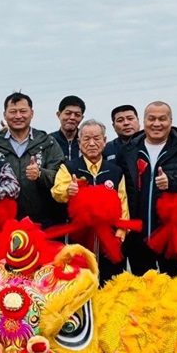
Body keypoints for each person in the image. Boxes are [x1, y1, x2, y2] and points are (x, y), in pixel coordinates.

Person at [116, 101, 177, 276]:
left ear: (171, 121)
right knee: (142, 290)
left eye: (162, 119)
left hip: (170, 235)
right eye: (152, 119)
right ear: (144, 121)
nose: (156, 124)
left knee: (172, 290)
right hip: (137, 236)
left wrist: (172, 182)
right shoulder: (129, 150)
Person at [50, 120, 129, 282]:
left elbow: (123, 202)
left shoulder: (115, 171)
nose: (92, 143)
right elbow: (56, 192)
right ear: (79, 143)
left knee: (111, 281)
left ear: (105, 141)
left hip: (109, 237)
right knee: (80, 281)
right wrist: (68, 191)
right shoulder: (69, 167)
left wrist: (121, 231)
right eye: (86, 139)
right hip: (79, 236)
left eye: (97, 138)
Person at [0, 92, 64, 226]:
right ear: (4, 114)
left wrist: (41, 174)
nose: (18, 116)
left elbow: (61, 177)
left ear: (32, 113)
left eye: (23, 111)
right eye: (13, 111)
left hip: (42, 222)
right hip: (3, 224)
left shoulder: (47, 142)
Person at [50, 95, 85, 162]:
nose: (72, 117)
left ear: (82, 118)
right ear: (58, 114)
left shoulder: (87, 141)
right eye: (68, 113)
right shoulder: (49, 141)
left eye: (77, 115)